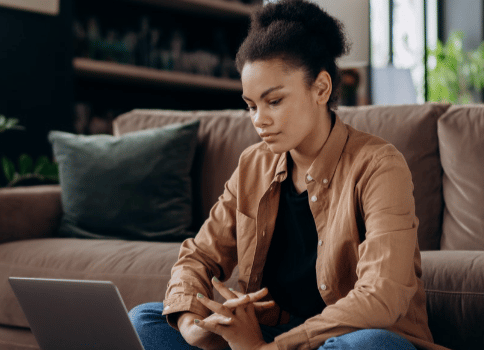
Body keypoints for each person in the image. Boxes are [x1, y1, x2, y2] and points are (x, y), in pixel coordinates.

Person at [128, 1, 445, 349]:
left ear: (321, 89)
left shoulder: (379, 165)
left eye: (274, 101)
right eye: (251, 106)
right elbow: (200, 256)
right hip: (269, 334)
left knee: (368, 346)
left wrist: (270, 349)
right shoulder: (253, 164)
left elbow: (382, 295)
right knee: (144, 320)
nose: (259, 120)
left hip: (344, 338)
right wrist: (193, 326)